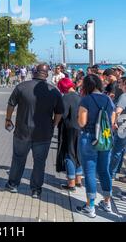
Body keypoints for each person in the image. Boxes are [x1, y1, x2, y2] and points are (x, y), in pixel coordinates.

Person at [3, 64, 64, 198]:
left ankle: (13, 184)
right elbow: (59, 113)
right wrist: (53, 124)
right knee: (40, 162)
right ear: (47, 75)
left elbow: (11, 104)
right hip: (43, 134)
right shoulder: (53, 91)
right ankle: (36, 189)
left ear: (34, 72)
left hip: (22, 132)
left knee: (18, 159)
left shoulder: (22, 87)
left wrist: (8, 119)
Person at [76, 74, 115, 218]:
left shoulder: (85, 100)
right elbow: (111, 120)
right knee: (104, 171)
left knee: (90, 172)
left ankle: (90, 207)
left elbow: (82, 123)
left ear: (86, 86)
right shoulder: (108, 99)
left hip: (89, 138)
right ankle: (106, 203)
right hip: (105, 138)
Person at [56, 82, 82, 191]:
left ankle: (71, 183)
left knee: (69, 153)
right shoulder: (80, 97)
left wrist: (55, 122)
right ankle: (78, 180)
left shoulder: (65, 98)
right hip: (81, 127)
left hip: (69, 129)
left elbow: (63, 114)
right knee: (78, 153)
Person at [109, 76, 126, 183]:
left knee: (116, 151)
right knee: (122, 150)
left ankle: (111, 173)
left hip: (122, 127)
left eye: (121, 83)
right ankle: (116, 170)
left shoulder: (124, 96)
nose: (119, 85)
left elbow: (118, 110)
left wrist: (114, 122)